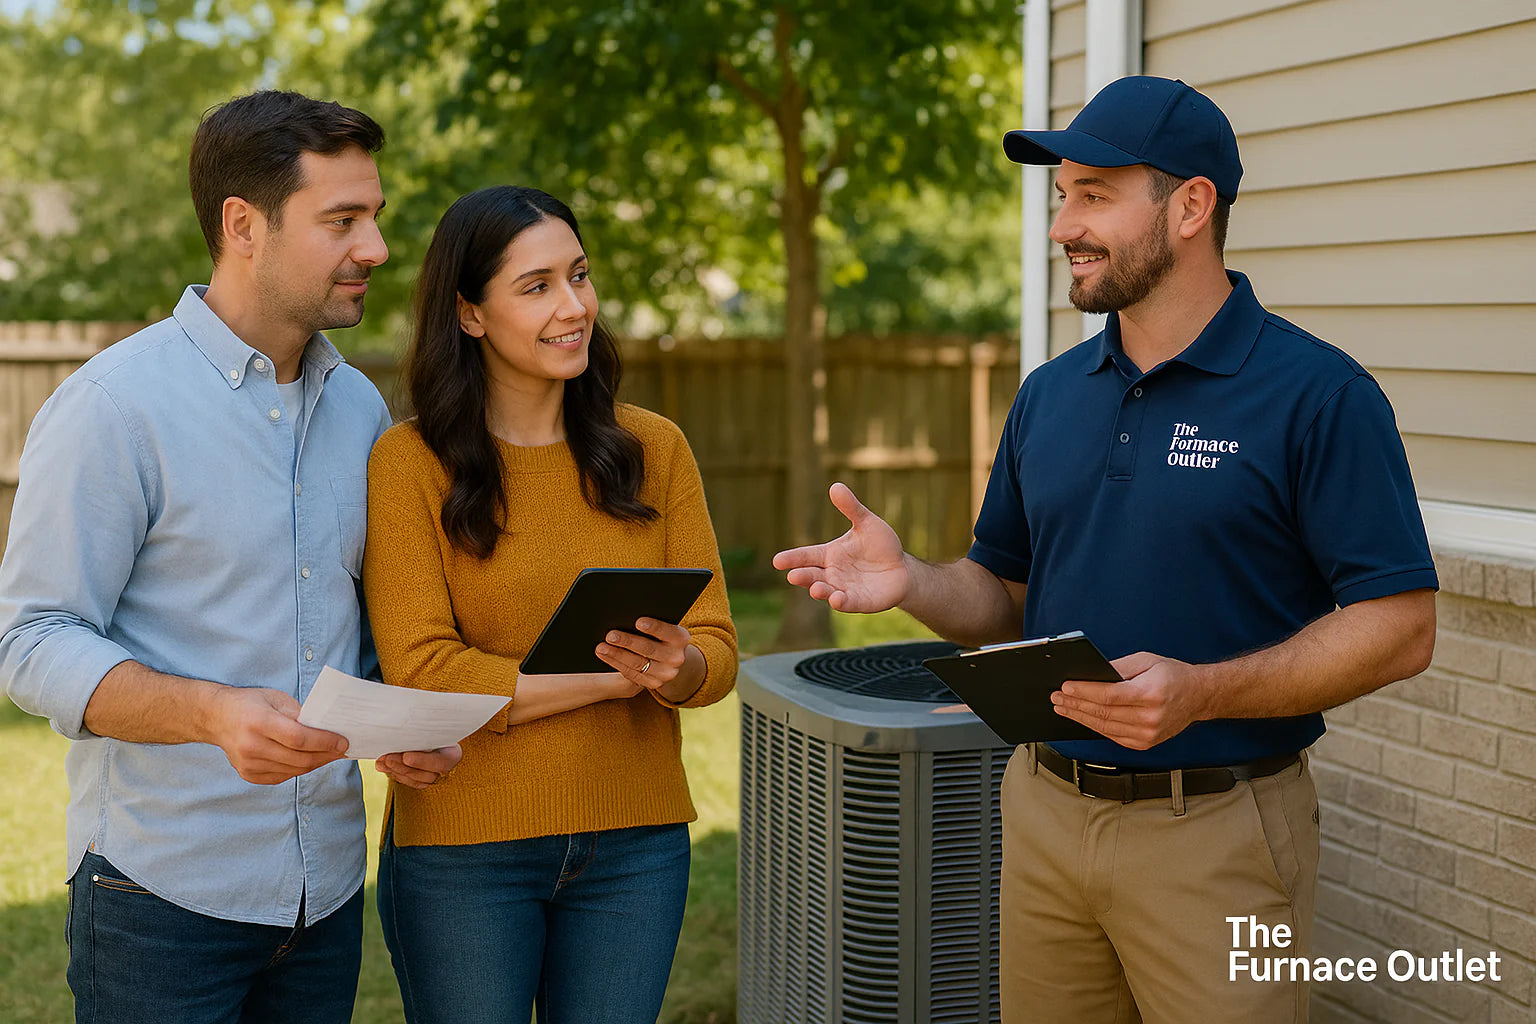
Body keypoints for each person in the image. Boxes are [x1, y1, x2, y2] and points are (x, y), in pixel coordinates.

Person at [774, 76, 1437, 1023]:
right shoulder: (1049, 395)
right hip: (1044, 812)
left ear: (1190, 207)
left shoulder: (1319, 396)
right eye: (1062, 196)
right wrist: (912, 582)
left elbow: (1403, 627)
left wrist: (1203, 691)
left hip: (1217, 831)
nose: (1062, 228)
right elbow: (1001, 595)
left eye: (1094, 195)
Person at [0, 90, 460, 1023]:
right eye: (342, 220)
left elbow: (346, 622)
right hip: (158, 901)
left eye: (374, 217)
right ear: (243, 226)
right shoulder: (114, 408)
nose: (374, 248)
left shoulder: (361, 410)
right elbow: (32, 641)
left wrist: (395, 723)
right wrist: (210, 713)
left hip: (324, 895)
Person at [363, 184, 738, 1024]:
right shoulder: (409, 464)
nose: (573, 307)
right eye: (536, 287)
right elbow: (425, 670)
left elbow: (715, 645)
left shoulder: (655, 448)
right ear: (469, 315)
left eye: (579, 276)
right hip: (464, 850)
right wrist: (610, 683)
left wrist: (680, 668)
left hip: (636, 844)